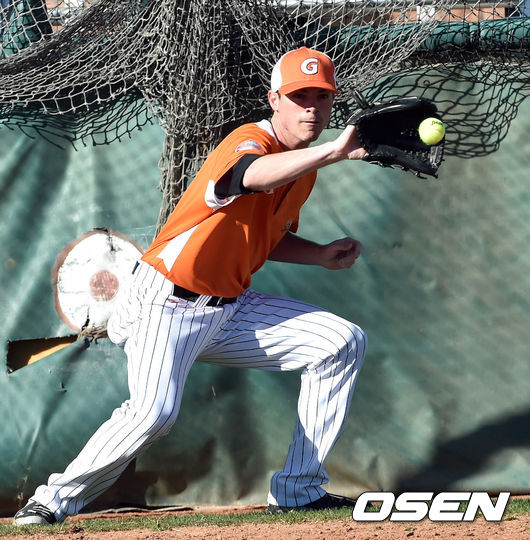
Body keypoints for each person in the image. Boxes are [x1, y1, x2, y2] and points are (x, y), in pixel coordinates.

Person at [14, 46, 369, 525]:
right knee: (154, 414)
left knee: (340, 342)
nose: (311, 107)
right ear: (274, 100)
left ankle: (298, 490)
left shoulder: (301, 169)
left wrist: (320, 254)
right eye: (299, 96)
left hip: (229, 309)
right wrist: (333, 152)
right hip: (167, 301)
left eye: (321, 97)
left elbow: (266, 236)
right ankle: (51, 501)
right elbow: (247, 177)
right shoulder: (249, 141)